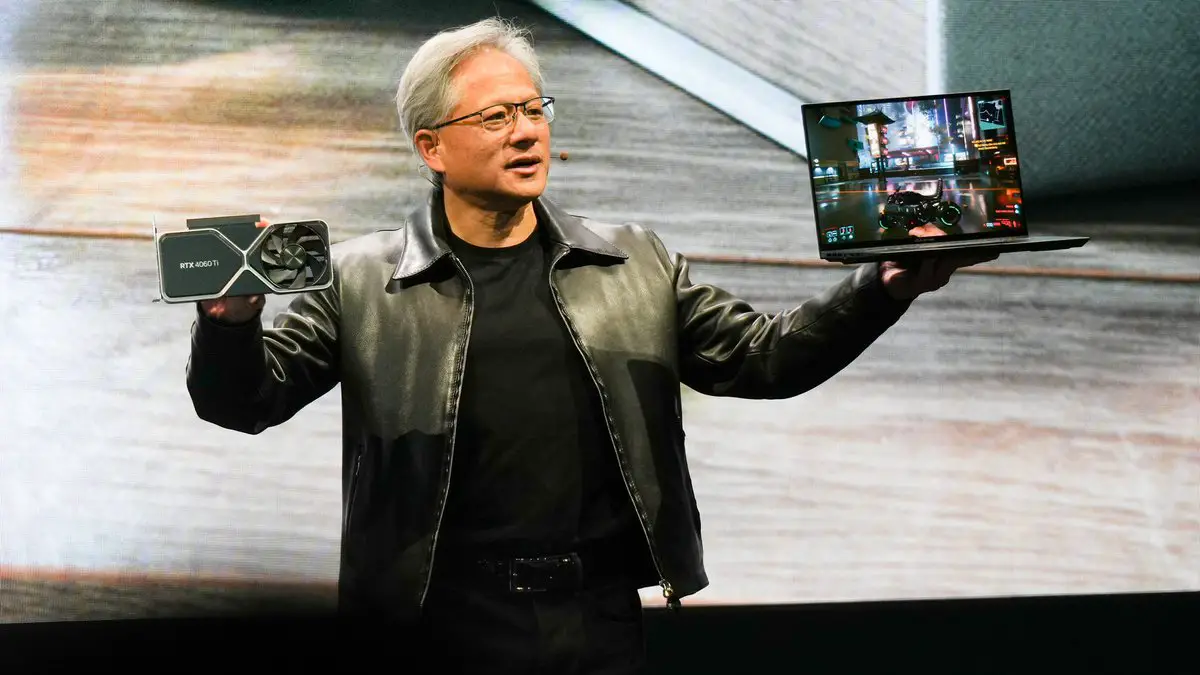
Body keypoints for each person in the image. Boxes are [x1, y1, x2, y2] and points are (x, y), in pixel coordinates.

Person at [186, 17, 996, 674]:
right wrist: (229, 326)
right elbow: (243, 402)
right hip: (435, 623)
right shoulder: (361, 279)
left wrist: (882, 287)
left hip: (595, 623)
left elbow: (768, 358)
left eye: (535, 109)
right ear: (431, 147)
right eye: (495, 116)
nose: (525, 131)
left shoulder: (633, 261)